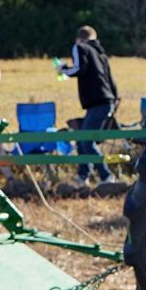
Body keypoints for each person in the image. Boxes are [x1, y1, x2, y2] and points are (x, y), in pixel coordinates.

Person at [58, 24, 119, 184]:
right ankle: (83, 175)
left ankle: (106, 176)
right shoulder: (101, 53)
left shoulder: (80, 47)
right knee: (81, 137)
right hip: (106, 101)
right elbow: (110, 78)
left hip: (98, 101)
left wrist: (63, 69)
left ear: (79, 38)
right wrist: (116, 98)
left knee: (86, 140)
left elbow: (80, 69)